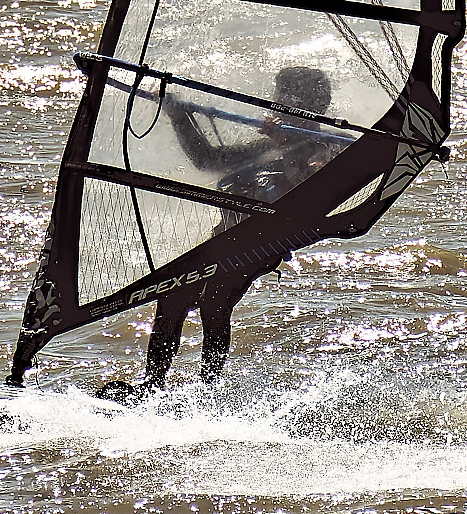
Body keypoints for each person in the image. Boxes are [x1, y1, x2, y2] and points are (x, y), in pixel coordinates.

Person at [100, 64, 335, 400]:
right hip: (224, 238)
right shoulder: (268, 146)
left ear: (314, 106)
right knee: (171, 297)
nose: (275, 105)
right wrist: (179, 116)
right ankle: (153, 384)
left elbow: (317, 183)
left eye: (285, 99)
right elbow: (208, 159)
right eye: (278, 97)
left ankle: (208, 389)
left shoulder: (326, 145)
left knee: (214, 301)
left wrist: (288, 140)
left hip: (261, 244)